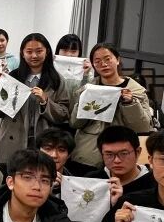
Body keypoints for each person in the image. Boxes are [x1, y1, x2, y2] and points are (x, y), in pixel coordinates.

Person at [70, 43, 153, 171]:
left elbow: (143, 127)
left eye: (107, 59)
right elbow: (75, 123)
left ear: (117, 60)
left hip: (121, 157)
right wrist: (84, 103)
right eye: (97, 61)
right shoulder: (87, 90)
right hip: (87, 156)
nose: (103, 64)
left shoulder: (136, 91)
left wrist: (130, 104)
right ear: (93, 65)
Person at [0, 33, 70, 165]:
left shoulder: (56, 80)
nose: (34, 55)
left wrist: (45, 101)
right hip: (12, 140)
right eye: (29, 51)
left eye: (39, 51)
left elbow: (64, 114)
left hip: (43, 141)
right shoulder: (12, 76)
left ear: (47, 52)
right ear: (22, 53)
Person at [86, 125, 155, 196]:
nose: (117, 160)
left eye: (123, 154)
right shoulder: (91, 180)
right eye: (109, 154)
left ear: (137, 152)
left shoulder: (154, 183)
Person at [36, 128, 76, 198]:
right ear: (38, 151)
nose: (54, 155)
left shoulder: (75, 184)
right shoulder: (24, 178)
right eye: (48, 149)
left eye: (61, 150)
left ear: (69, 155)